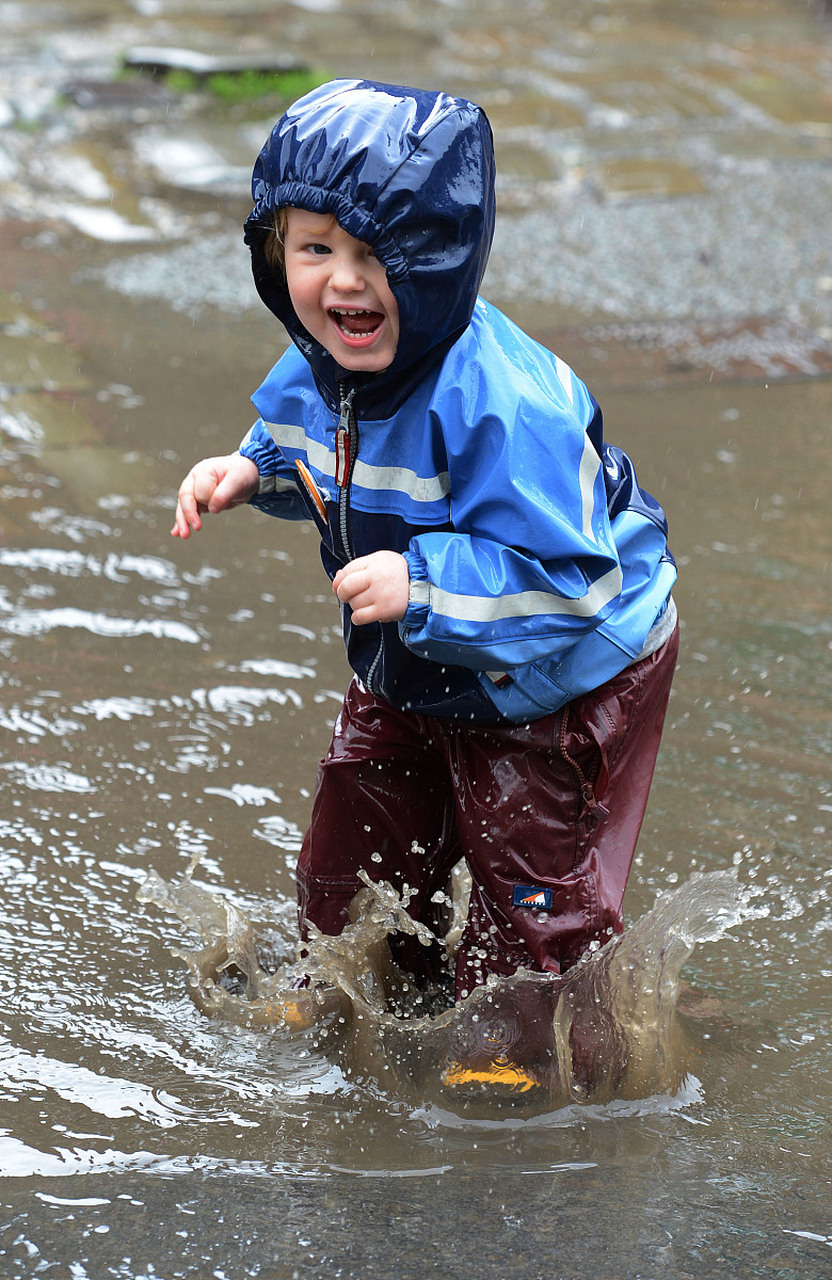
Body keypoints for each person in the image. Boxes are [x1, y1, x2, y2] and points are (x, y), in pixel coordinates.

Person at [172, 78, 678, 1013]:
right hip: (416, 651)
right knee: (349, 867)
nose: (345, 281)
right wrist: (253, 470)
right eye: (316, 249)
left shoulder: (504, 403)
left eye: (377, 254)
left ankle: (532, 1046)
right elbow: (327, 448)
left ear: (439, 259)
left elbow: (573, 582)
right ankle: (373, 988)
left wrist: (423, 585)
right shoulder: (328, 361)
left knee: (529, 895)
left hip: (558, 670)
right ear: (273, 253)